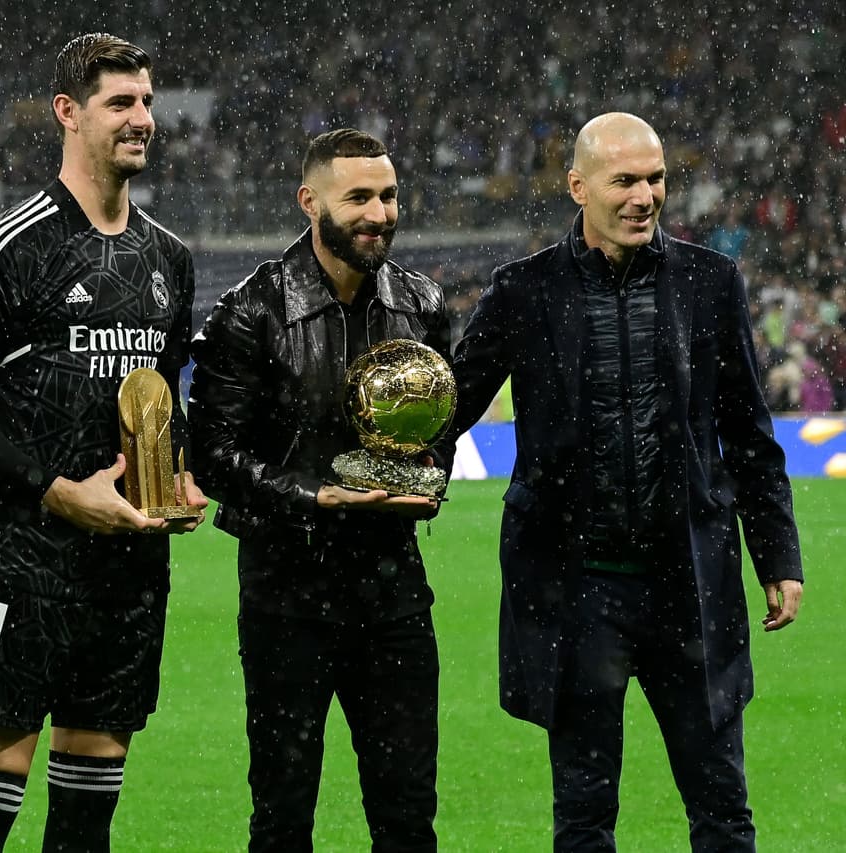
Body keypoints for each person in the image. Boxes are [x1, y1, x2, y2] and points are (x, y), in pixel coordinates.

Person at [445, 112, 804, 851]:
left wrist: (779, 557)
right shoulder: (524, 290)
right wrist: (391, 462)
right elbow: (450, 404)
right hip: (578, 591)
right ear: (579, 187)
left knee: (723, 809)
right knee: (582, 815)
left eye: (656, 179)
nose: (645, 196)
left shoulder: (710, 281)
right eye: (625, 181)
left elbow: (749, 433)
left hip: (690, 585)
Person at [0, 33, 207, 852]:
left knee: (90, 802)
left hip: (130, 567)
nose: (141, 119)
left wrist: (175, 475)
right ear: (68, 113)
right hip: (26, 559)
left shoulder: (168, 259)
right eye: (120, 103)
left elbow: (161, 397)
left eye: (147, 102)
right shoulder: (10, 248)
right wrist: (53, 486)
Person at [189, 128, 449, 853]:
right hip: (285, 597)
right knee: (282, 817)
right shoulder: (252, 309)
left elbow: (439, 433)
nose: (380, 213)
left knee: (407, 817)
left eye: (389, 195)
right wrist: (312, 498)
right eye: (359, 197)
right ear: (310, 201)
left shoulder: (422, 304)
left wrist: (431, 483)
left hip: (394, 594)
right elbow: (211, 453)